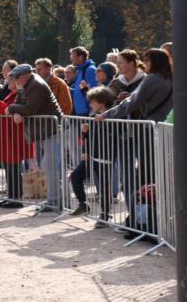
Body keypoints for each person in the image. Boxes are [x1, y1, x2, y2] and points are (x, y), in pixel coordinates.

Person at [96, 48, 172, 241]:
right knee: (154, 179)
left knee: (142, 181)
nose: (143, 64)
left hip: (147, 132)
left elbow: (132, 102)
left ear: (153, 62)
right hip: (163, 131)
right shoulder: (171, 78)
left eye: (146, 61)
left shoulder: (151, 79)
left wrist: (106, 115)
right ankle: (146, 223)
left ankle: (144, 225)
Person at [6, 63, 64, 213]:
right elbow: (20, 104)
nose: (15, 81)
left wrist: (13, 109)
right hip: (42, 131)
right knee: (45, 166)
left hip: (51, 130)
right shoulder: (26, 84)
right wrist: (17, 110)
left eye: (16, 77)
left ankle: (57, 201)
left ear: (25, 75)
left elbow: (30, 108)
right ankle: (54, 200)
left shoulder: (36, 84)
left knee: (50, 167)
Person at [69, 86, 117, 223]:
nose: (90, 104)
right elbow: (87, 137)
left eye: (92, 101)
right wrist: (84, 135)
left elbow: (111, 136)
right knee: (75, 176)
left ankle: (105, 214)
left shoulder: (112, 116)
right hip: (91, 155)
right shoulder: (92, 116)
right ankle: (83, 204)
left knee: (104, 186)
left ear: (101, 102)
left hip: (105, 156)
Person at [0, 75, 32, 209]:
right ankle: (11, 196)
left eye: (11, 80)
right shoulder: (13, 93)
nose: (8, 82)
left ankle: (16, 198)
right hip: (7, 134)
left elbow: (11, 109)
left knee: (14, 167)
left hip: (14, 135)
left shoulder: (21, 94)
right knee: (8, 166)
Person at [68, 46, 99, 115]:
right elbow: (79, 89)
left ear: (81, 57)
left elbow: (93, 92)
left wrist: (91, 111)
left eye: (72, 56)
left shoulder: (90, 70)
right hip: (80, 111)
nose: (70, 58)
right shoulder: (81, 70)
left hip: (86, 112)